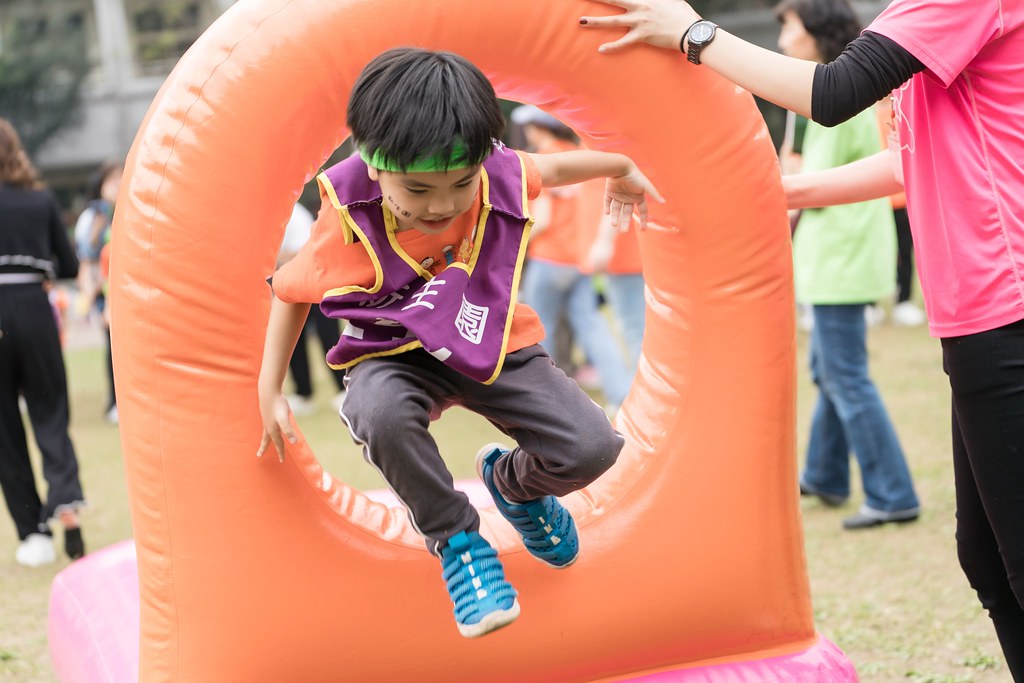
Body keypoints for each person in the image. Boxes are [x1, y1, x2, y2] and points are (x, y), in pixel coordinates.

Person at [579, 0, 1024, 676]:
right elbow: (909, 162)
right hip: (978, 316)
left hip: (1006, 309)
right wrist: (765, 191)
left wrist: (693, 34)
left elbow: (835, 92)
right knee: (986, 559)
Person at [257, 48, 661, 639]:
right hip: (392, 352)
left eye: (460, 185)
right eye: (417, 189)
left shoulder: (494, 172)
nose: (441, 205)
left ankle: (513, 485)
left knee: (592, 446)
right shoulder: (348, 215)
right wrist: (270, 388)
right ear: (374, 164)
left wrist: (621, 166)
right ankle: (457, 541)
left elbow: (555, 169)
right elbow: (291, 290)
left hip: (485, 337)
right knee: (380, 412)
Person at [773, 0, 920, 530]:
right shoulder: (834, 92)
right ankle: (826, 473)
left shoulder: (833, 98)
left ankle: (893, 493)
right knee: (829, 369)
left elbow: (810, 182)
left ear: (816, 31)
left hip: (842, 251)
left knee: (845, 376)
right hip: (840, 248)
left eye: (790, 27)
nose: (783, 39)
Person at [0, 118, 87, 566]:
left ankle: (33, 534)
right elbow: (69, 265)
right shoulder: (40, 200)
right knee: (50, 411)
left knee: (4, 429)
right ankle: (67, 505)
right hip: (35, 309)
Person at [513, 104, 633, 412]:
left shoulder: (542, 160)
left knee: (540, 330)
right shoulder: (577, 156)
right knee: (593, 326)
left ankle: (546, 400)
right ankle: (622, 394)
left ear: (537, 128)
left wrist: (514, 242)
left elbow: (543, 219)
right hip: (578, 259)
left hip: (549, 259)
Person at [276, 202, 347, 416]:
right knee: (293, 340)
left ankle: (344, 389)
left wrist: (275, 260)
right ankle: (303, 394)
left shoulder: (293, 212)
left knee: (328, 335)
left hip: (316, 280)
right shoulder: (265, 214)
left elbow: (303, 251)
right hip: (290, 284)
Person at [74, 161, 122, 423]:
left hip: (126, 287)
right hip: (105, 292)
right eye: (112, 180)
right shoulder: (93, 217)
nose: (117, 185)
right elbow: (87, 255)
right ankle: (114, 402)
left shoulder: (130, 207)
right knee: (112, 347)